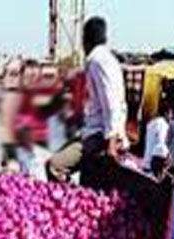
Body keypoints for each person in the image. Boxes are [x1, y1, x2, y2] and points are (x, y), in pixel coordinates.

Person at [48, 16, 128, 188]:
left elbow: (111, 101)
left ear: (86, 39)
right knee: (87, 180)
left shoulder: (97, 61)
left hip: (99, 135)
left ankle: (66, 201)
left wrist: (112, 140)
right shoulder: (109, 59)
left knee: (55, 166)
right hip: (97, 131)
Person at [143, 101, 172, 176]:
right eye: (170, 114)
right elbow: (161, 145)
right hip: (154, 168)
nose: (171, 116)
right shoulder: (164, 125)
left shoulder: (150, 123)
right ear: (166, 113)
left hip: (146, 164)